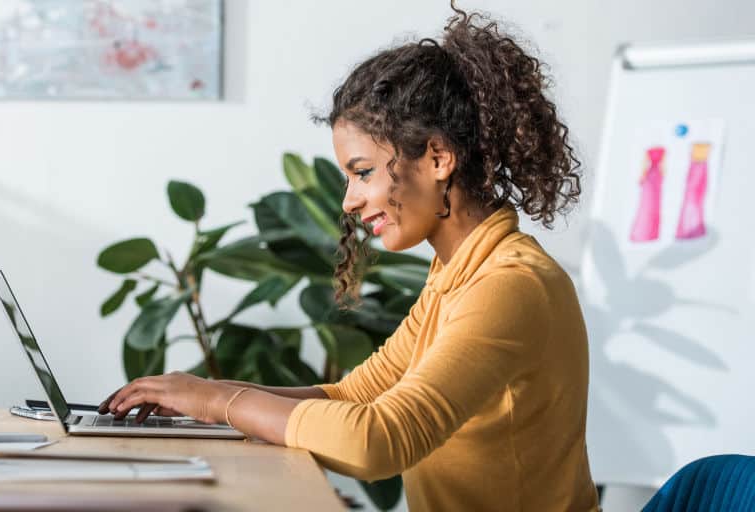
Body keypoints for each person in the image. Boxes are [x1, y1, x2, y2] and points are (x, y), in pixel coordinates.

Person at [99, 5, 599, 510]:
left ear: (439, 159)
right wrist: (202, 399)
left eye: (362, 173)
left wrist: (219, 403)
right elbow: (352, 396)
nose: (349, 201)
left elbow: (379, 440)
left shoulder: (509, 284)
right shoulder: (460, 273)